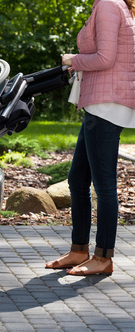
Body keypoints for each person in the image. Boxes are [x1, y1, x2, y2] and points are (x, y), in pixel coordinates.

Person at [45, 0, 135, 275]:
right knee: (77, 179)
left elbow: (105, 58)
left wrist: (74, 60)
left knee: (104, 184)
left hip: (105, 105)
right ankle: (79, 250)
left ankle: (103, 257)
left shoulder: (109, 4)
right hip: (100, 104)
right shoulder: (112, 4)